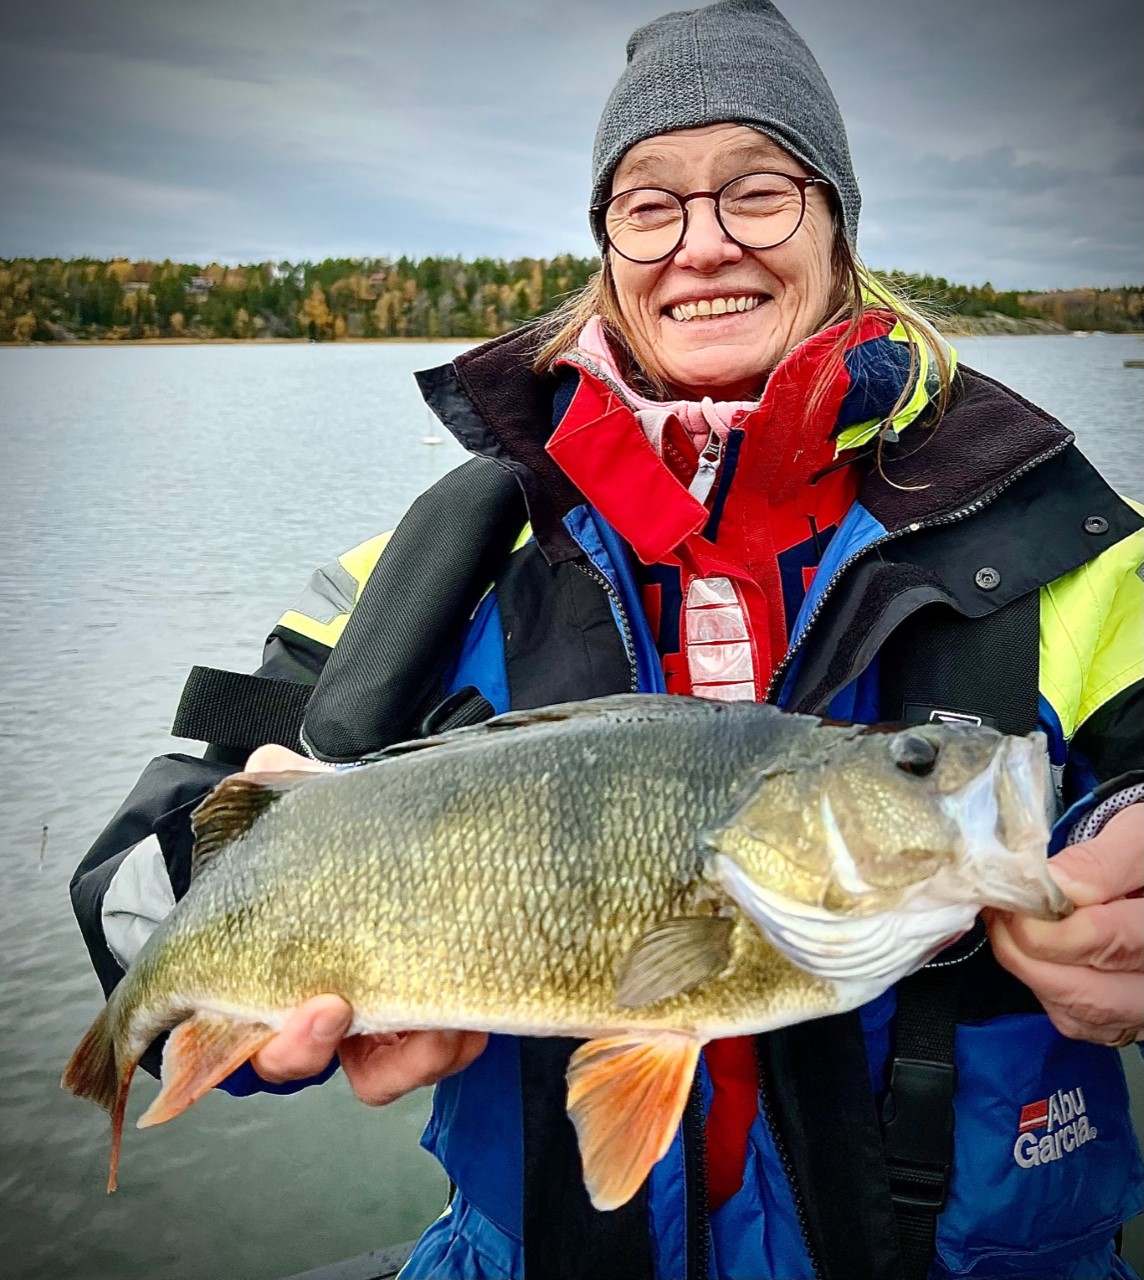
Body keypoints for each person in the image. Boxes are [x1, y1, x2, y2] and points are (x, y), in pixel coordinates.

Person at [71, 2, 1144, 1277]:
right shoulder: (434, 568)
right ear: (605, 247)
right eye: (650, 204)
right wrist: (246, 937)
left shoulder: (1071, 542)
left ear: (839, 224)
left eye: (759, 191)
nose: (703, 245)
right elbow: (138, 879)